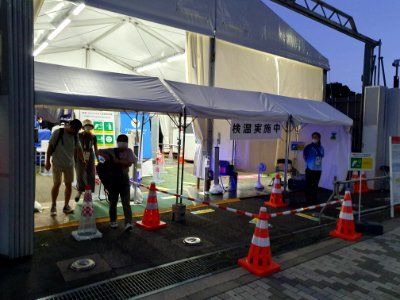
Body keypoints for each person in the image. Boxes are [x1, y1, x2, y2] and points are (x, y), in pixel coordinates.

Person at [45, 119, 84, 216]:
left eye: (77, 130)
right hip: (57, 163)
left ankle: (66, 206)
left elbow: (79, 148)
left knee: (69, 184)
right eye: (74, 129)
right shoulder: (58, 132)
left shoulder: (75, 136)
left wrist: (83, 160)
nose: (75, 131)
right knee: (57, 183)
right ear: (70, 126)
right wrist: (47, 162)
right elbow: (50, 147)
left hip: (69, 164)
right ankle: (53, 205)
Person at [98, 134, 137, 231]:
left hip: (124, 179)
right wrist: (108, 158)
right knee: (113, 201)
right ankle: (113, 220)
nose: (124, 144)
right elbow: (98, 153)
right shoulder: (111, 150)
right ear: (118, 142)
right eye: (122, 142)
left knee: (126, 202)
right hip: (113, 179)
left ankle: (128, 223)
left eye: (125, 142)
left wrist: (117, 161)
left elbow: (129, 163)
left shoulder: (129, 151)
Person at [74, 119, 99, 202]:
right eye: (86, 126)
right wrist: (74, 158)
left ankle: (88, 193)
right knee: (80, 174)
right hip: (80, 155)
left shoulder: (94, 137)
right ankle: (79, 191)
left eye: (90, 126)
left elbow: (96, 149)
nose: (88, 127)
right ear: (83, 127)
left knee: (91, 174)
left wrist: (98, 159)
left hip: (90, 155)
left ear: (91, 127)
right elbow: (75, 147)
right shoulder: (78, 135)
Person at [303, 132, 324, 205]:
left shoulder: (321, 148)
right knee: (308, 184)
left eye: (316, 137)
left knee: (315, 185)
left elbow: (321, 157)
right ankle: (307, 199)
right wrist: (309, 163)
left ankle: (314, 198)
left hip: (318, 169)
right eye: (313, 137)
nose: (314, 138)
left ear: (319, 138)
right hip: (310, 169)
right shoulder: (308, 147)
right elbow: (304, 156)